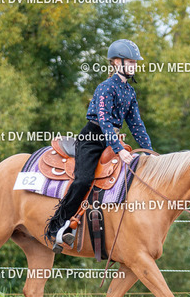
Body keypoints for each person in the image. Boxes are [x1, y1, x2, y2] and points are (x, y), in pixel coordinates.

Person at [45, 39, 154, 252]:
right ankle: (58, 226)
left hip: (112, 141)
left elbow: (136, 125)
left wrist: (150, 152)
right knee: (83, 180)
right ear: (117, 62)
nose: (135, 66)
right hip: (92, 139)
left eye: (135, 62)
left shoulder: (130, 93)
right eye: (131, 62)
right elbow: (104, 122)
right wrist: (119, 150)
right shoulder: (105, 88)